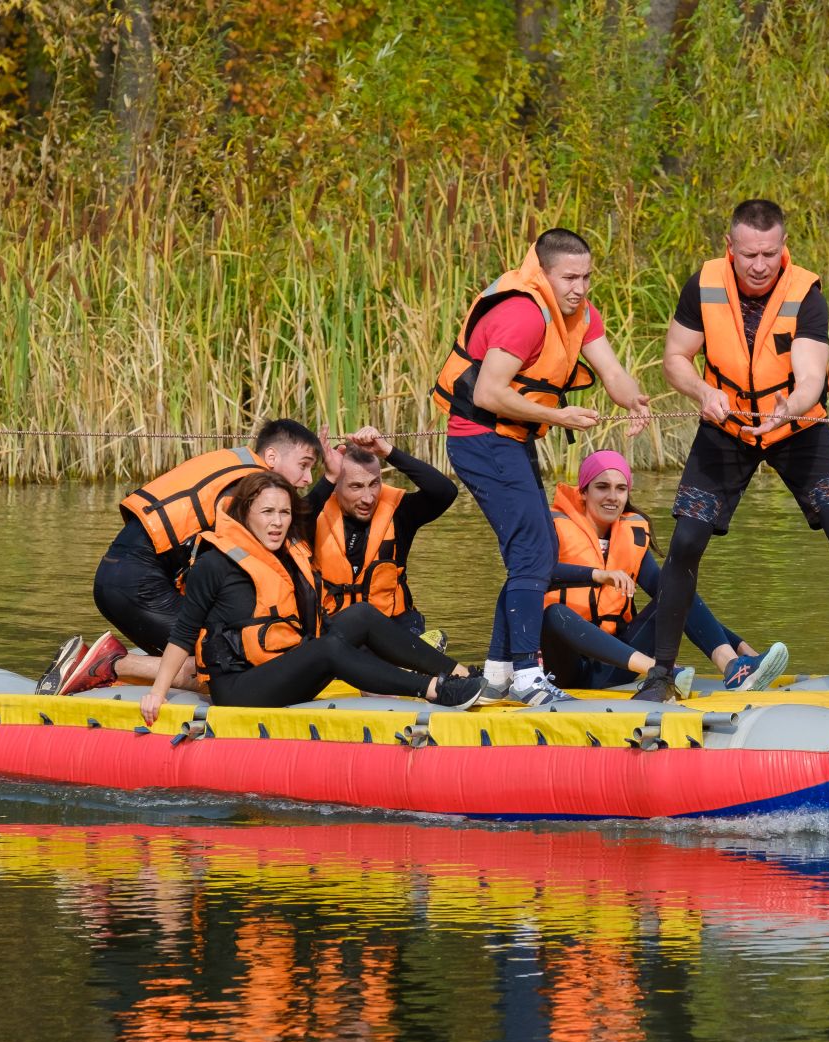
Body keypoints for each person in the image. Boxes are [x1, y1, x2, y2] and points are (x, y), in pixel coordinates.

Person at [634, 199, 829, 702]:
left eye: (769, 253)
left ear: (783, 247)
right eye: (749, 255)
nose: (760, 265)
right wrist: (701, 393)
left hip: (794, 425)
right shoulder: (703, 285)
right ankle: (661, 676)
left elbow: (810, 376)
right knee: (688, 539)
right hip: (726, 425)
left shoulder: (806, 293)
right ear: (730, 248)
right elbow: (675, 358)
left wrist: (792, 406)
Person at [431, 227, 653, 706]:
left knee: (531, 554)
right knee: (533, 553)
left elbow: (611, 370)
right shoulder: (523, 314)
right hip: (480, 439)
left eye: (587, 277)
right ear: (545, 273)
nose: (579, 287)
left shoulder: (578, 313)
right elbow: (490, 393)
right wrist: (559, 416)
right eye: (569, 277)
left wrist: (633, 398)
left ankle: (496, 675)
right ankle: (530, 676)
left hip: (512, 440)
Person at [132, 471, 484, 720]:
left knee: (360, 613)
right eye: (267, 512)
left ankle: (459, 673)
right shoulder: (214, 563)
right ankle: (435, 690)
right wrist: (158, 693)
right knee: (327, 648)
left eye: (284, 513)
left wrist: (330, 472)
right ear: (245, 513)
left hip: (289, 665)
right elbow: (183, 633)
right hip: (241, 689)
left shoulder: (289, 553)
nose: (277, 522)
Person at [39, 419, 322, 696]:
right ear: (271, 456)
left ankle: (114, 668)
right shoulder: (245, 488)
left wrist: (332, 479)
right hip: (138, 582)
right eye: (304, 464)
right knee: (222, 664)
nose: (308, 478)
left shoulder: (232, 464)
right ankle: (110, 664)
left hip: (117, 573)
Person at [542, 450, 789, 693]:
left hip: (612, 669)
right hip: (563, 669)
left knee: (675, 589)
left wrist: (741, 647)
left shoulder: (632, 535)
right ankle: (660, 671)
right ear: (583, 491)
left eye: (620, 488)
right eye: (602, 487)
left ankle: (734, 665)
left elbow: (674, 594)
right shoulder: (552, 529)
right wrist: (596, 574)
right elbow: (533, 572)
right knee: (554, 614)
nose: (612, 497)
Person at [307, 426, 457, 639]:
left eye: (374, 484)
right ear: (335, 486)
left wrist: (388, 451)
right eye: (356, 486)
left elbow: (445, 492)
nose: (368, 498)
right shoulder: (313, 515)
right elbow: (291, 524)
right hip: (334, 626)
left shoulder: (400, 512)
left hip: (394, 625)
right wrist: (328, 478)